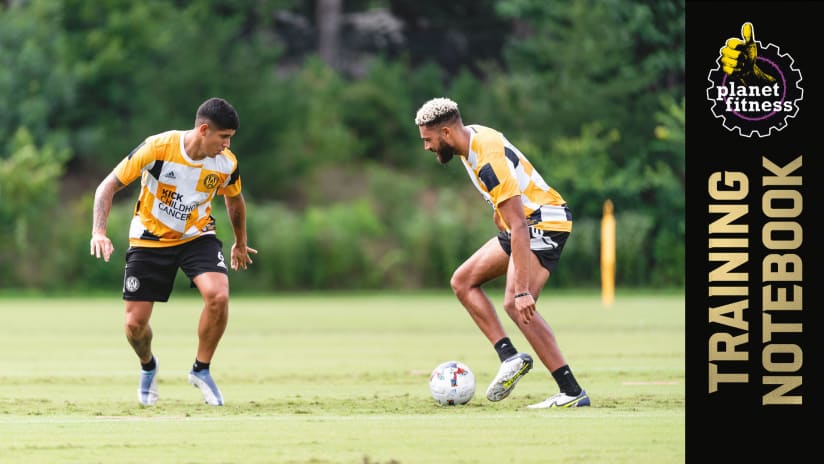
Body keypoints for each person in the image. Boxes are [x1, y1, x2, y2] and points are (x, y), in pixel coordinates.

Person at [414, 97, 590, 409]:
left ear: (445, 133)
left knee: (516, 303)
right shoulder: (472, 139)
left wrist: (522, 290)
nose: (426, 147)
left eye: (428, 140)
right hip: (524, 223)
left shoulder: (486, 161)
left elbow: (521, 224)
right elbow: (512, 206)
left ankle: (571, 392)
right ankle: (509, 357)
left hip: (544, 222)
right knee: (463, 281)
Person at [90, 97, 257, 406]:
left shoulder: (226, 163)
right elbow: (107, 187)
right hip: (150, 239)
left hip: (197, 236)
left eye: (230, 138)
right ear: (204, 130)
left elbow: (234, 200)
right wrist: (98, 231)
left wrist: (240, 242)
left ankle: (201, 370)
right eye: (224, 137)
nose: (227, 144)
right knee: (134, 325)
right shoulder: (157, 148)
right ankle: (148, 365)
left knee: (218, 296)